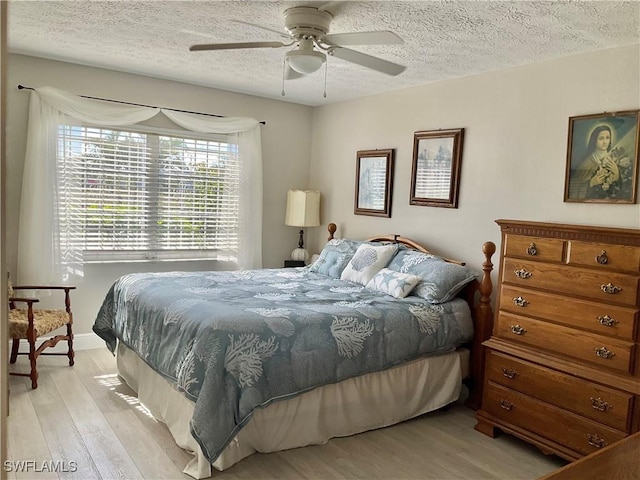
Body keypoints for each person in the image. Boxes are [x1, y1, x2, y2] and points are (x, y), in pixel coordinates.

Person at [569, 125, 621, 200]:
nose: (605, 141)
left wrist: (617, 174)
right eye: (601, 138)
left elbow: (623, 191)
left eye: (607, 138)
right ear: (594, 140)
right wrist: (591, 183)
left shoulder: (614, 160)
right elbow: (573, 188)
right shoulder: (587, 163)